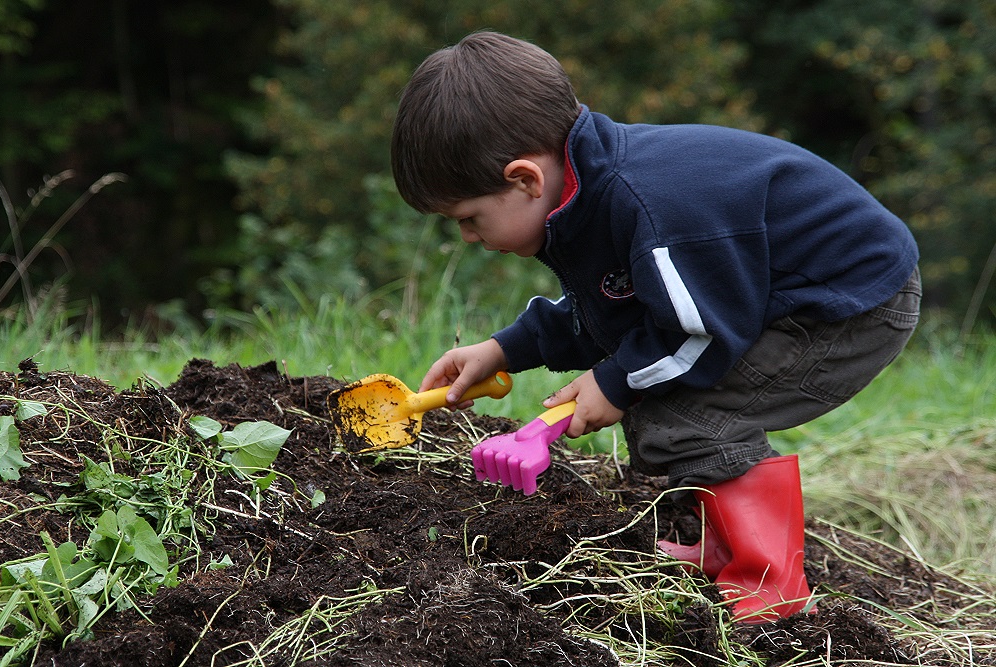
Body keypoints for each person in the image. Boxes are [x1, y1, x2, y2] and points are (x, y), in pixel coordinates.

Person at [390, 31, 920, 623]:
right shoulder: (583, 195)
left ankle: (768, 589)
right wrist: (504, 350)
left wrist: (612, 383)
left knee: (684, 415)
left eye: (468, 218)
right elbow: (613, 307)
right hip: (762, 297)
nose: (467, 238)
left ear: (525, 180)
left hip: (850, 303)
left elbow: (700, 333)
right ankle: (721, 545)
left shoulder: (649, 205)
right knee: (661, 399)